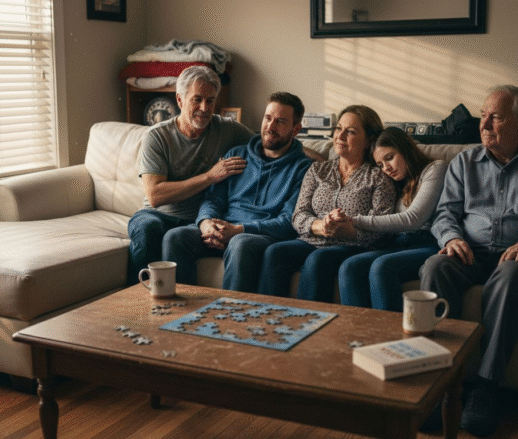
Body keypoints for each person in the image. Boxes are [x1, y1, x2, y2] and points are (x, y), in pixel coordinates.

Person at [419, 85, 518, 437]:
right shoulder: (464, 162)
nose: (485, 123)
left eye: (496, 116)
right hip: (470, 253)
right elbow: (445, 213)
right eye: (483, 115)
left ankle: (486, 388)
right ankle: (441, 382)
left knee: (510, 277)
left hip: (515, 256)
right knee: (434, 266)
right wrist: (452, 238)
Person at [162, 92, 313, 292]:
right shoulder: (236, 155)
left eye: (280, 121)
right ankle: (181, 314)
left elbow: (289, 221)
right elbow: (213, 199)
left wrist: (238, 230)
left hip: (259, 236)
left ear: (296, 129)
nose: (270, 126)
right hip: (222, 229)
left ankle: (231, 316)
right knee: (175, 237)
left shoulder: (303, 170)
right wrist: (207, 223)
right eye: (267, 118)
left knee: (240, 244)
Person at [127, 66, 254, 283]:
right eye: (197, 99)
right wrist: (210, 177)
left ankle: (187, 310)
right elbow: (155, 195)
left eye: (210, 100)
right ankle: (138, 301)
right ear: (179, 99)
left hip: (197, 221)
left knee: (178, 239)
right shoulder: (157, 137)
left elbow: (266, 144)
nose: (204, 108)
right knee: (147, 229)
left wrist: (322, 155)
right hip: (157, 215)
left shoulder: (227, 129)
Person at [257, 105, 396, 302]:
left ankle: (309, 323)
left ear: (368, 142)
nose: (341, 135)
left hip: (353, 245)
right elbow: (299, 214)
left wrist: (346, 230)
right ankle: (266, 319)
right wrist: (321, 226)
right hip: (312, 239)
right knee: (275, 252)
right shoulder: (317, 171)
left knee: (318, 260)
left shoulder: (378, 178)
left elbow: (383, 227)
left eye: (351, 132)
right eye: (339, 128)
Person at [337, 127, 447, 311]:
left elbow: (413, 219)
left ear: (405, 150)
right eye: (380, 164)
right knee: (350, 267)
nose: (386, 168)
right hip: (396, 244)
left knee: (381, 267)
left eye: (389, 158)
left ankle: (390, 336)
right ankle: (358, 334)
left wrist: (354, 220)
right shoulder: (392, 182)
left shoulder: (435, 169)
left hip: (426, 244)